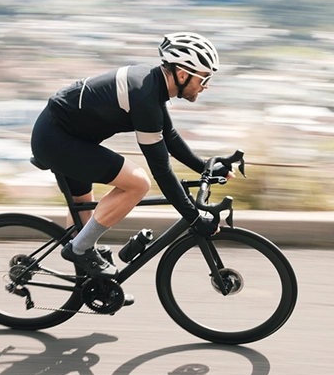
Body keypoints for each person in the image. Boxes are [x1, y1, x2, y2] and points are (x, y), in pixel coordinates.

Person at [31, 32, 235, 286]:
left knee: (84, 219)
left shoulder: (153, 85)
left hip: (65, 138)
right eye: (204, 78)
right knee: (138, 183)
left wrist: (206, 168)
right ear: (182, 74)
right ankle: (79, 250)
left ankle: (92, 286)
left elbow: (169, 136)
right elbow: (161, 170)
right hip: (56, 141)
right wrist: (194, 217)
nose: (206, 85)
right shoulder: (145, 97)